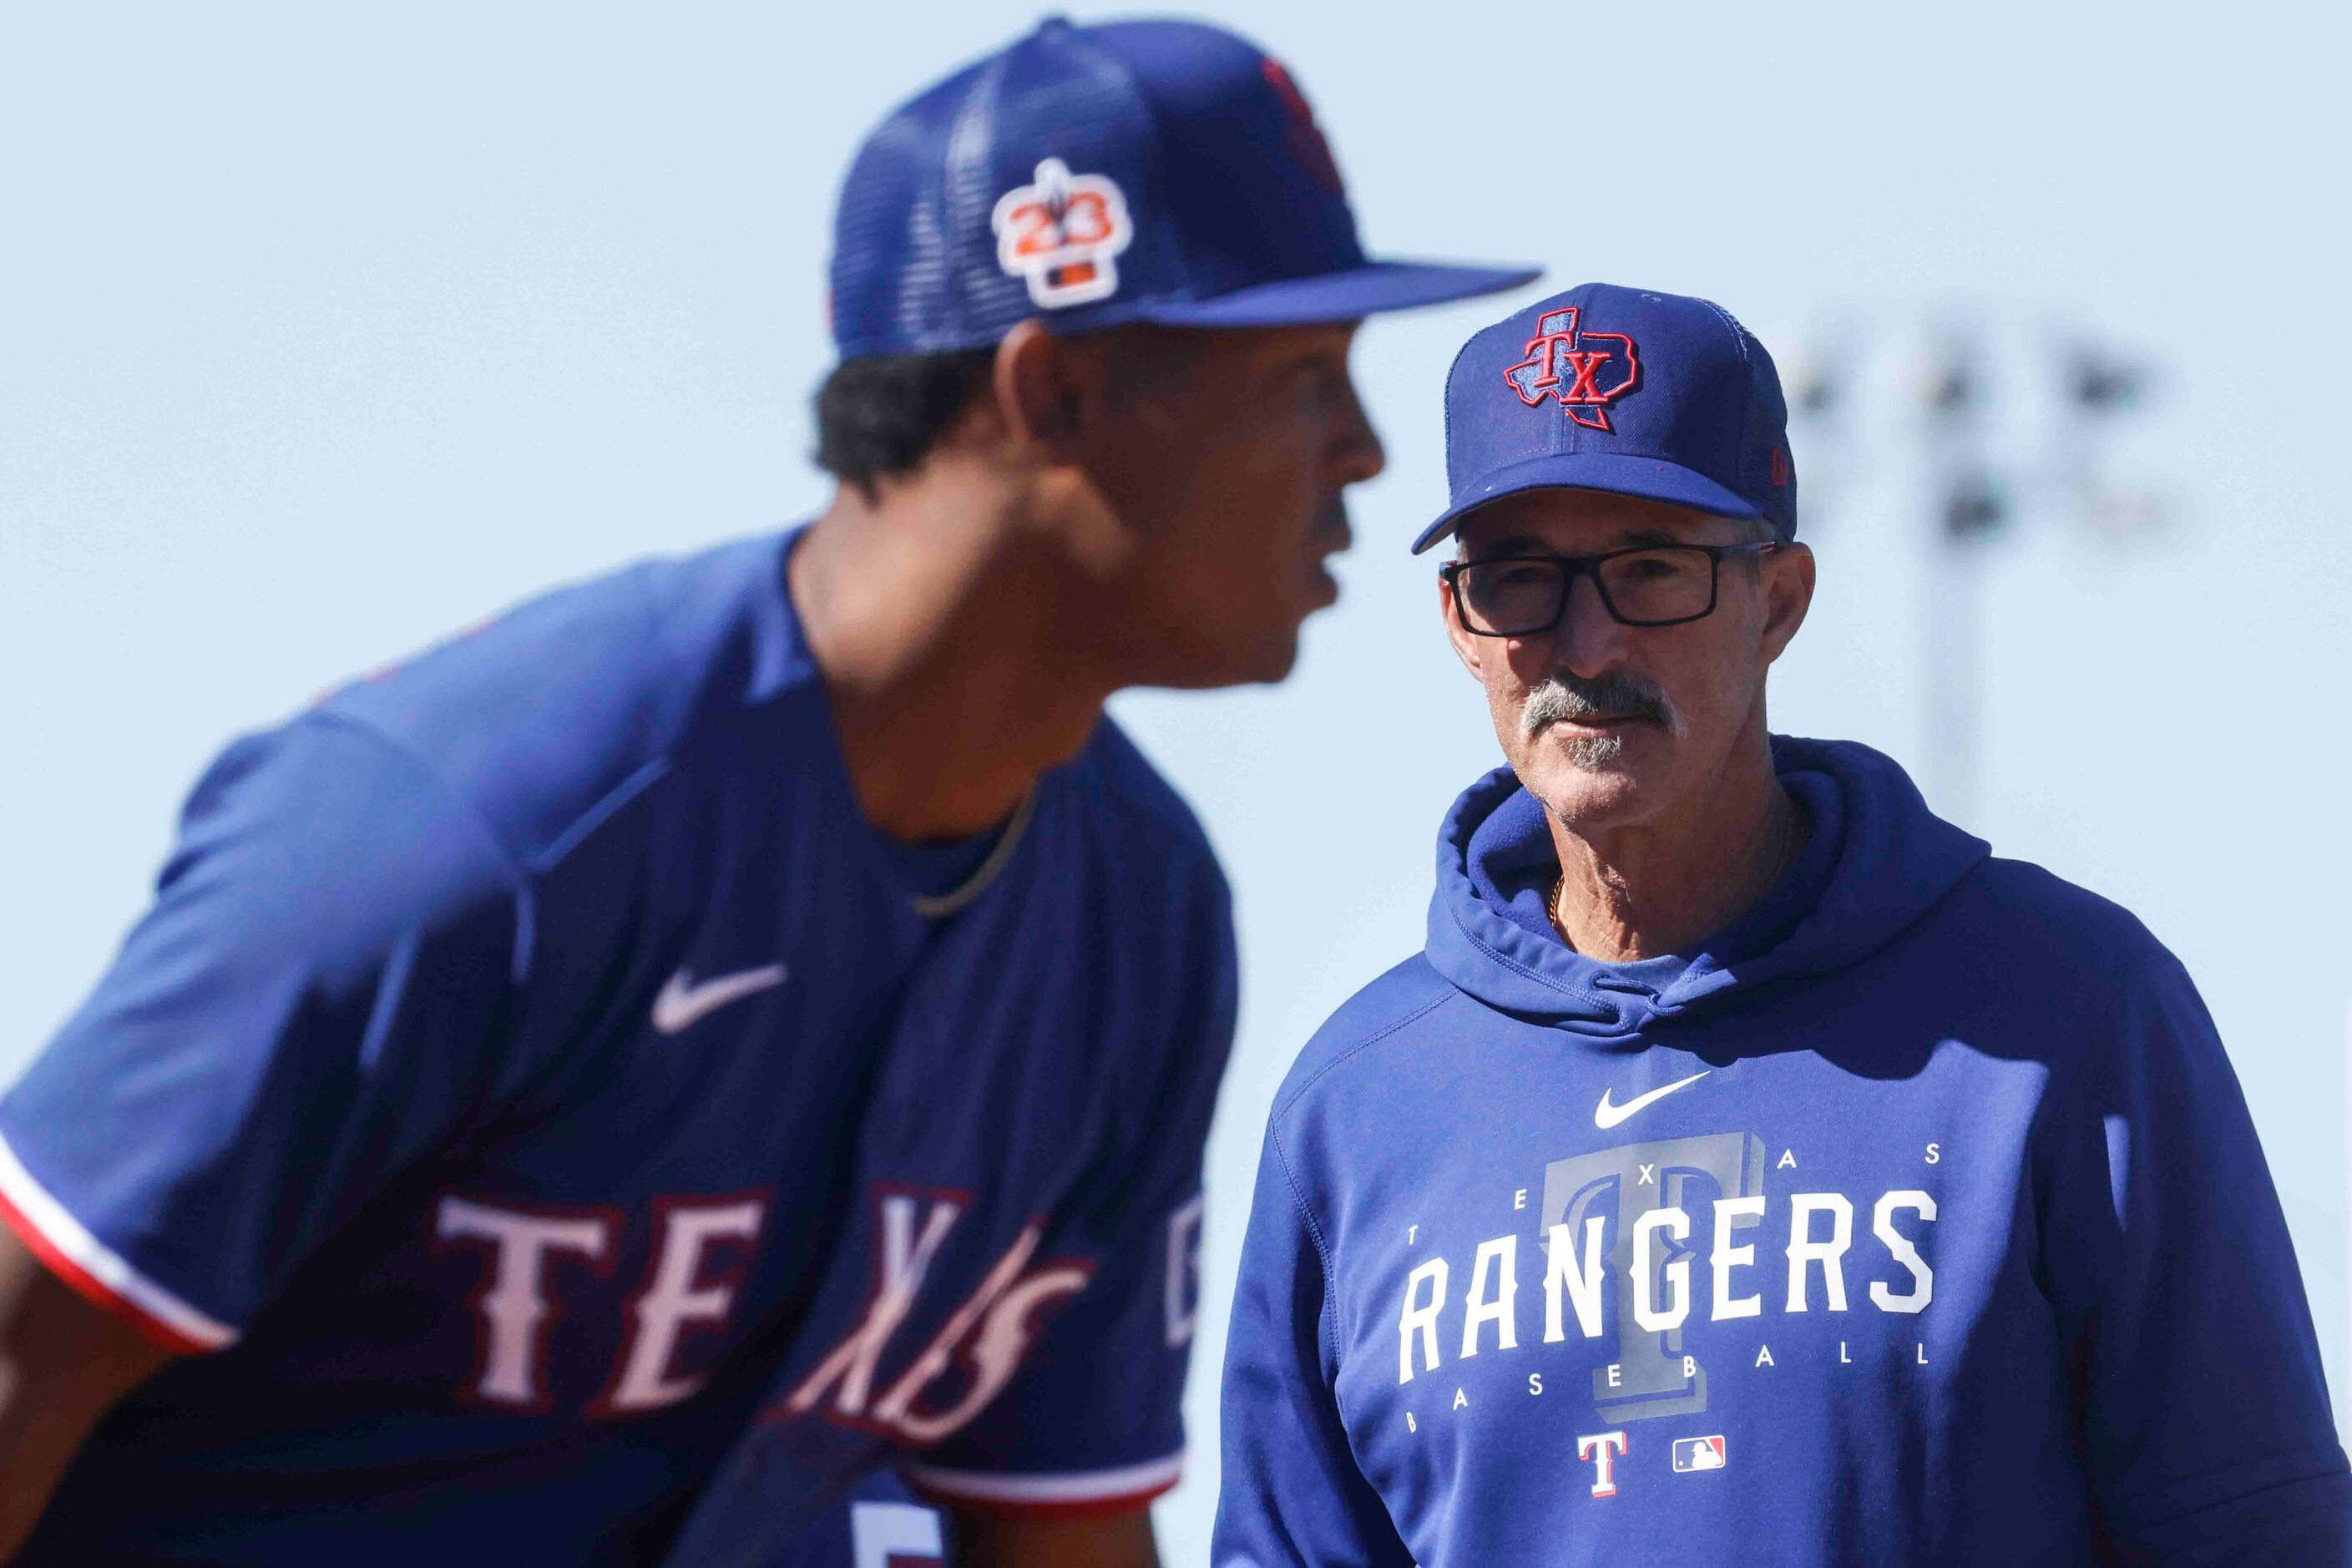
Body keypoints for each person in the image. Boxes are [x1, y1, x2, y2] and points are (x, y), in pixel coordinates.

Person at [0, 19, 1535, 1566]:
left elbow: (1054, 1526)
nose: (1360, 451)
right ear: (1053, 390)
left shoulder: (1138, 916)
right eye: (1297, 373)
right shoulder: (485, 818)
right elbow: (20, 1348)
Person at [1212, 282, 2351, 1565]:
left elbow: (2259, 1535)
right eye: (1521, 581)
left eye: (1650, 570)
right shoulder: (1357, 1106)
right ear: (1459, 627)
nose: (1582, 643)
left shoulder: (2066, 1010)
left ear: (1779, 600)